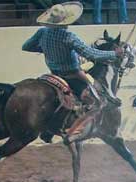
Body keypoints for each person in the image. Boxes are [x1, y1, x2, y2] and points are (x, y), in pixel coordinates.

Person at [22, 1, 125, 141]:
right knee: (97, 103)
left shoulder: (42, 32)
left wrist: (45, 49)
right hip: (73, 74)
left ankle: (49, 131)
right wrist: (114, 54)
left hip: (53, 74)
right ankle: (72, 133)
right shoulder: (69, 37)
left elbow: (26, 46)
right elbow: (92, 54)